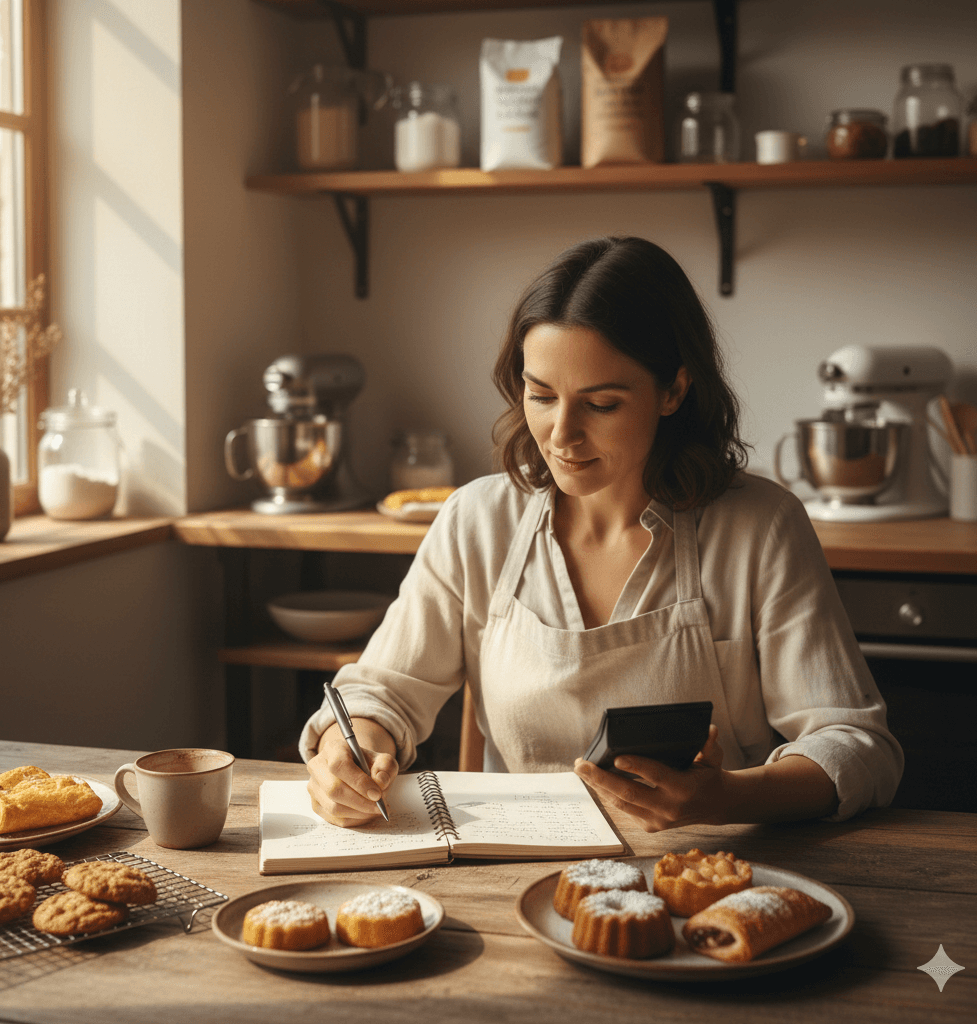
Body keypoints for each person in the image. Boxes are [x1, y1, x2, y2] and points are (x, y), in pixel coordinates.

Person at [301, 235, 903, 830]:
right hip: (513, 867)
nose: (562, 434)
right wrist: (347, 757)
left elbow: (855, 744)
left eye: (602, 405)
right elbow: (383, 693)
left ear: (674, 390)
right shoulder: (476, 521)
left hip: (704, 863)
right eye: (541, 395)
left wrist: (728, 798)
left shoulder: (761, 527)